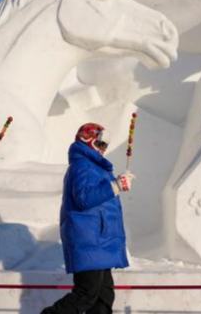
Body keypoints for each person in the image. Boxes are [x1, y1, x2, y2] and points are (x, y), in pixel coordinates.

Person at [41, 123, 134, 314]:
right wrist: (115, 185)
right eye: (99, 144)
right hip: (88, 238)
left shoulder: (96, 167)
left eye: (105, 145)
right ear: (87, 140)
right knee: (86, 293)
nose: (103, 149)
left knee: (104, 297)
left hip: (100, 240)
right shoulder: (81, 165)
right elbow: (84, 198)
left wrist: (116, 184)